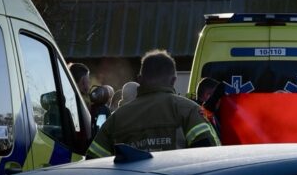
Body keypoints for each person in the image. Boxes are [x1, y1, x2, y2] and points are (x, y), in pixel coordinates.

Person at [87, 50, 218, 158]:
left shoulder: (117, 118)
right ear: (173, 81)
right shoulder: (189, 111)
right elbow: (212, 158)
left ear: (140, 80)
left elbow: (93, 161)